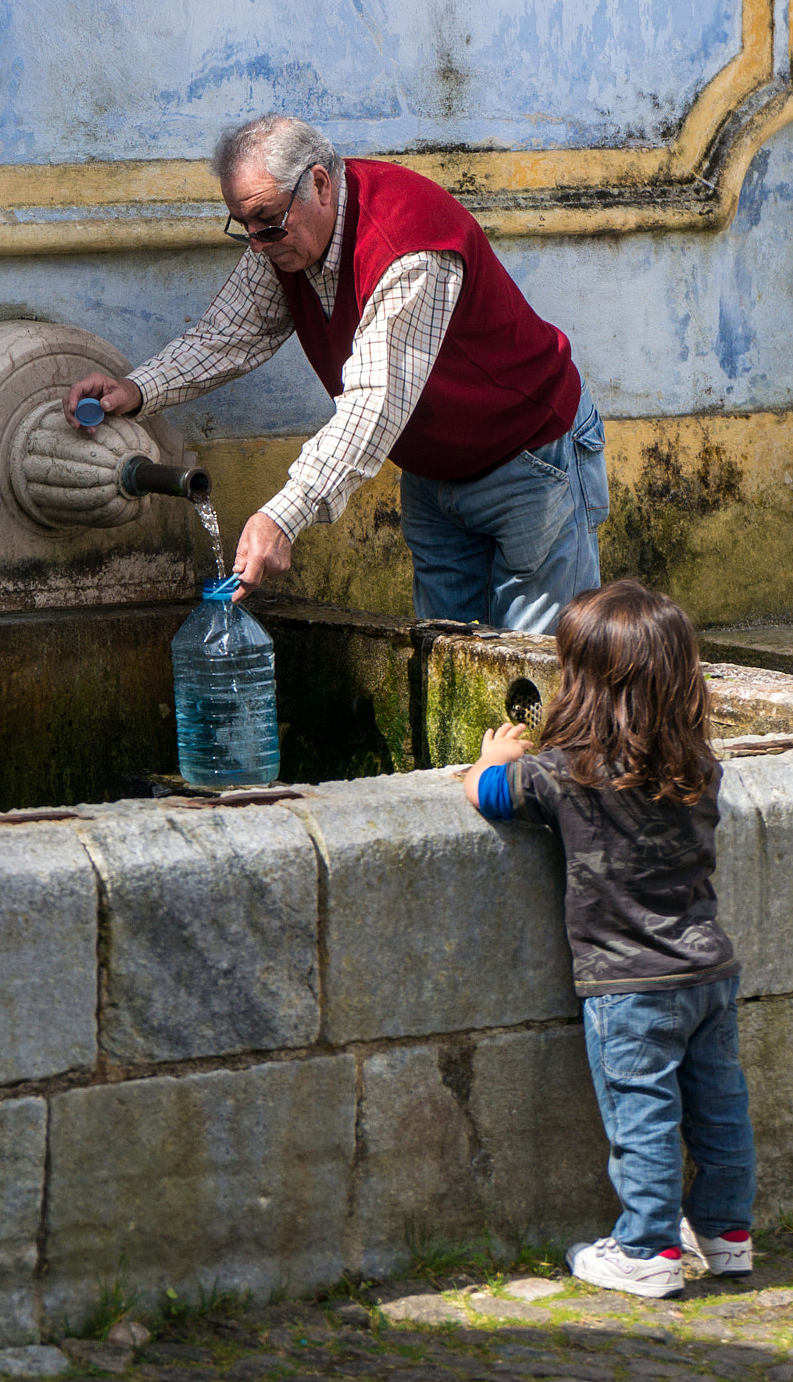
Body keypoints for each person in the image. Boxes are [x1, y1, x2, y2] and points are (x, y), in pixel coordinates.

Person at [65, 113, 608, 629]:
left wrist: (284, 516)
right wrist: (136, 390)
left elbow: (373, 403)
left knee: (543, 676)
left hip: (533, 458)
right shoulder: (282, 241)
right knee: (446, 663)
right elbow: (228, 334)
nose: (257, 241)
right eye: (244, 224)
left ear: (319, 184)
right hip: (435, 476)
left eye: (268, 221)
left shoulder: (409, 247)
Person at [462, 578, 755, 1299]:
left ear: (583, 685)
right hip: (708, 972)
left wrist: (491, 755)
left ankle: (648, 1250)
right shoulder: (698, 766)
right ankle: (726, 1233)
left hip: (628, 987)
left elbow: (486, 797)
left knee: (643, 1116)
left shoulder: (564, 775)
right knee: (720, 1108)